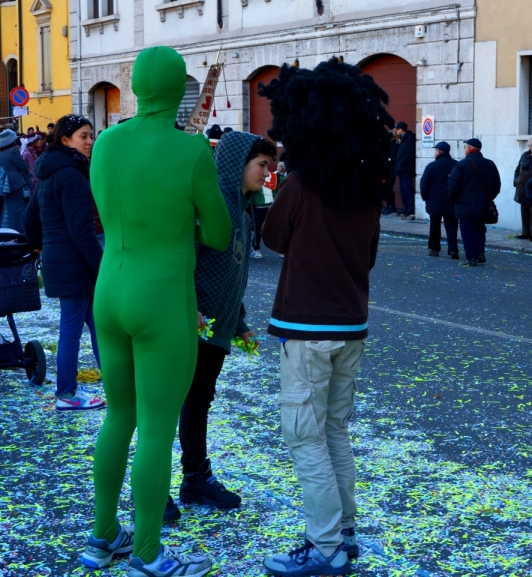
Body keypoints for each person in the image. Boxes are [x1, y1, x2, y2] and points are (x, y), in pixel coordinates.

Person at [82, 47, 232, 576]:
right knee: (157, 427)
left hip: (110, 290)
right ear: (179, 91)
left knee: (117, 417)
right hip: (162, 295)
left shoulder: (104, 143)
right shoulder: (190, 151)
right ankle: (147, 549)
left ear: (137, 90)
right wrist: (185, 223)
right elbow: (219, 233)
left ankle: (103, 536)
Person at [258, 57, 390, 576]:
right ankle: (344, 531)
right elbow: (371, 256)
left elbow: (272, 241)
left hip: (308, 328)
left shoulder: (299, 186)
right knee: (335, 430)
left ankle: (326, 545)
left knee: (304, 434)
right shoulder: (367, 192)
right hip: (351, 324)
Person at [162, 133, 278, 523]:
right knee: (166, 406)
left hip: (218, 330)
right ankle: (155, 488)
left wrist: (240, 321)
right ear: (235, 164)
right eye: (261, 165)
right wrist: (188, 307)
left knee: (198, 404)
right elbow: (183, 262)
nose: (268, 172)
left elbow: (232, 273)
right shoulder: (212, 207)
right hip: (190, 326)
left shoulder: (244, 213)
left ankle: (195, 478)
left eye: (269, 164)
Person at [23, 115, 104, 410]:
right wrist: (102, 266)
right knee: (72, 327)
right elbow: (81, 231)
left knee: (97, 324)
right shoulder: (71, 175)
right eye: (83, 136)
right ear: (66, 140)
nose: (90, 142)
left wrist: (42, 247)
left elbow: (30, 219)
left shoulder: (48, 172)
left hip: (62, 260)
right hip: (75, 263)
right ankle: (67, 394)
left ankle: (114, 383)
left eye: (91, 136)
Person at [447, 138, 501, 267]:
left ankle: (471, 257)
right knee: (480, 230)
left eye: (465, 147)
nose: (464, 149)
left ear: (470, 148)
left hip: (465, 206)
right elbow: (496, 185)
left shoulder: (462, 165)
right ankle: (480, 253)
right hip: (483, 205)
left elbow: (453, 186)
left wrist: (455, 200)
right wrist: (488, 198)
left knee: (468, 232)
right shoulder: (490, 164)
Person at [420, 141, 459, 259]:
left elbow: (424, 184)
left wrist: (425, 197)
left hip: (434, 201)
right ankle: (453, 249)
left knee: (434, 225)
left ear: (438, 152)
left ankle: (434, 249)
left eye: (435, 151)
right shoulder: (456, 165)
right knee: (452, 226)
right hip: (451, 200)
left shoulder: (431, 166)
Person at [0, 129, 32, 231]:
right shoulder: (13, 151)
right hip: (15, 183)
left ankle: (8, 231)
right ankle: (20, 231)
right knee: (19, 209)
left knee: (7, 210)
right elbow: (23, 168)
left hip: (3, 185)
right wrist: (29, 184)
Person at [249, 157, 280, 259]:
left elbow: (277, 189)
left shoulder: (276, 176)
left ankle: (279, 248)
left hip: (270, 205)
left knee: (273, 228)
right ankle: (255, 247)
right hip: (259, 206)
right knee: (257, 228)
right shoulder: (255, 176)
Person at [394, 121, 416, 217]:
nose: (395, 130)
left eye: (397, 129)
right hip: (401, 168)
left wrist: (401, 161)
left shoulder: (409, 139)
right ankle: (405, 207)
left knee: (407, 188)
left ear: (402, 129)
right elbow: (396, 148)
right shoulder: (400, 138)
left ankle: (410, 208)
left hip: (406, 169)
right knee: (402, 189)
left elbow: (409, 154)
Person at [381, 130, 398, 215]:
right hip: (388, 170)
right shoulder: (389, 146)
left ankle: (391, 206)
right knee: (387, 188)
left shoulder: (393, 147)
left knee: (389, 188)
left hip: (390, 171)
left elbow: (391, 159)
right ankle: (389, 205)